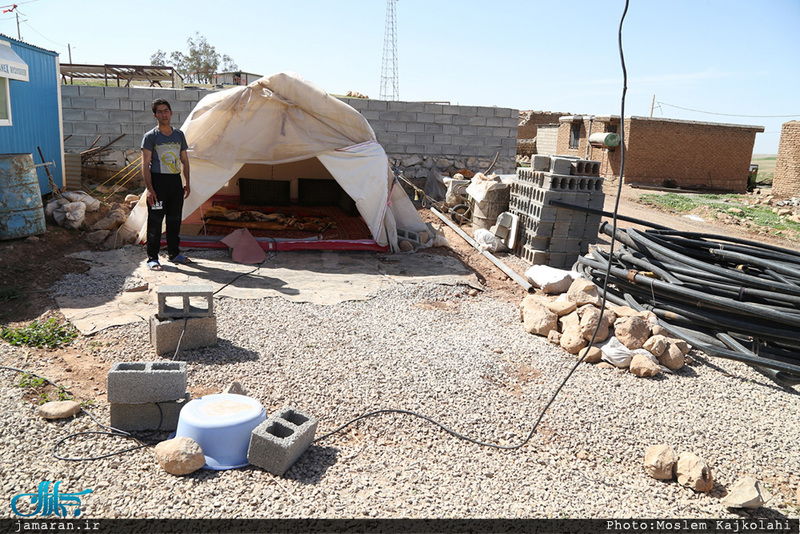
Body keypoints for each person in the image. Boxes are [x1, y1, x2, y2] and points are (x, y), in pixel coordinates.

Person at [141, 98, 191, 270]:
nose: (164, 114)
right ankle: (152, 258)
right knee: (155, 221)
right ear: (155, 115)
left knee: (174, 220)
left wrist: (187, 182)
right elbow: (145, 164)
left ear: (171, 113)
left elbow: (184, 160)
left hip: (175, 182)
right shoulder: (150, 137)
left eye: (166, 110)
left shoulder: (179, 135)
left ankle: (174, 253)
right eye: (160, 111)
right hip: (158, 182)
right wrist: (149, 189)